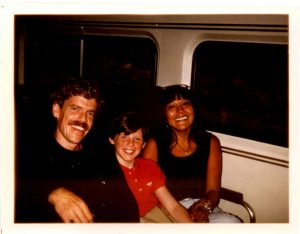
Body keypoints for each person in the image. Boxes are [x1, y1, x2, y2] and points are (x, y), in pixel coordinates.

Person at [15, 78, 139, 223]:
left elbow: (129, 207)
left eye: (90, 113)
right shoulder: (30, 151)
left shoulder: (102, 155)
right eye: (75, 109)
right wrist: (53, 192)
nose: (83, 120)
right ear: (57, 110)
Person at [142, 84, 241, 223]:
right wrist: (179, 214)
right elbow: (148, 193)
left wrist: (204, 209)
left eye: (185, 104)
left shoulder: (211, 142)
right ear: (164, 114)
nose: (180, 111)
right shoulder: (155, 144)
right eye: (172, 106)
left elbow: (213, 190)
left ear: (194, 108)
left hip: (201, 207)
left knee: (231, 223)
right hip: (167, 210)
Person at [108, 112, 193, 223]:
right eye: (124, 137)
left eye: (137, 139)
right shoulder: (107, 173)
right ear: (112, 140)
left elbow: (173, 207)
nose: (130, 144)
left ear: (143, 145)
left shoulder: (149, 166)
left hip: (155, 215)